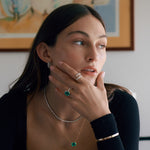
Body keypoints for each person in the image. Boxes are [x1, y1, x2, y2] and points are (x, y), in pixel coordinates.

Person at [0, 3, 140, 150]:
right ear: (46, 53)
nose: (94, 56)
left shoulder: (122, 105)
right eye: (79, 42)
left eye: (101, 45)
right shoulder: (11, 107)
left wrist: (101, 118)